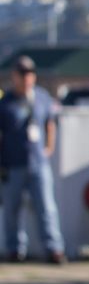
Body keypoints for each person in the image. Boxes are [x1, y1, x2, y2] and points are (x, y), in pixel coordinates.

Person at [0, 56, 65, 264]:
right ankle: (15, 249)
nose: (27, 78)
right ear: (14, 76)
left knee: (46, 206)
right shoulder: (6, 103)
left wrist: (49, 148)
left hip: (38, 163)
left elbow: (50, 123)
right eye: (23, 74)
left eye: (30, 74)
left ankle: (53, 248)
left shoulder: (42, 98)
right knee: (12, 209)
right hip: (13, 163)